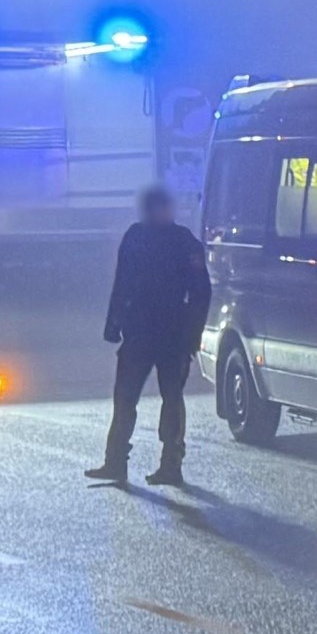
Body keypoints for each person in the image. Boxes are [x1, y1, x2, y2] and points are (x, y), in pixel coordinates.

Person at [94, 183, 212, 486]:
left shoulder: (182, 242)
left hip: (171, 335)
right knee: (125, 398)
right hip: (142, 332)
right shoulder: (138, 237)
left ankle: (170, 464)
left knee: (170, 399)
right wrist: (114, 322)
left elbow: (200, 293)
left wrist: (192, 335)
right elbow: (122, 283)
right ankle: (115, 462)